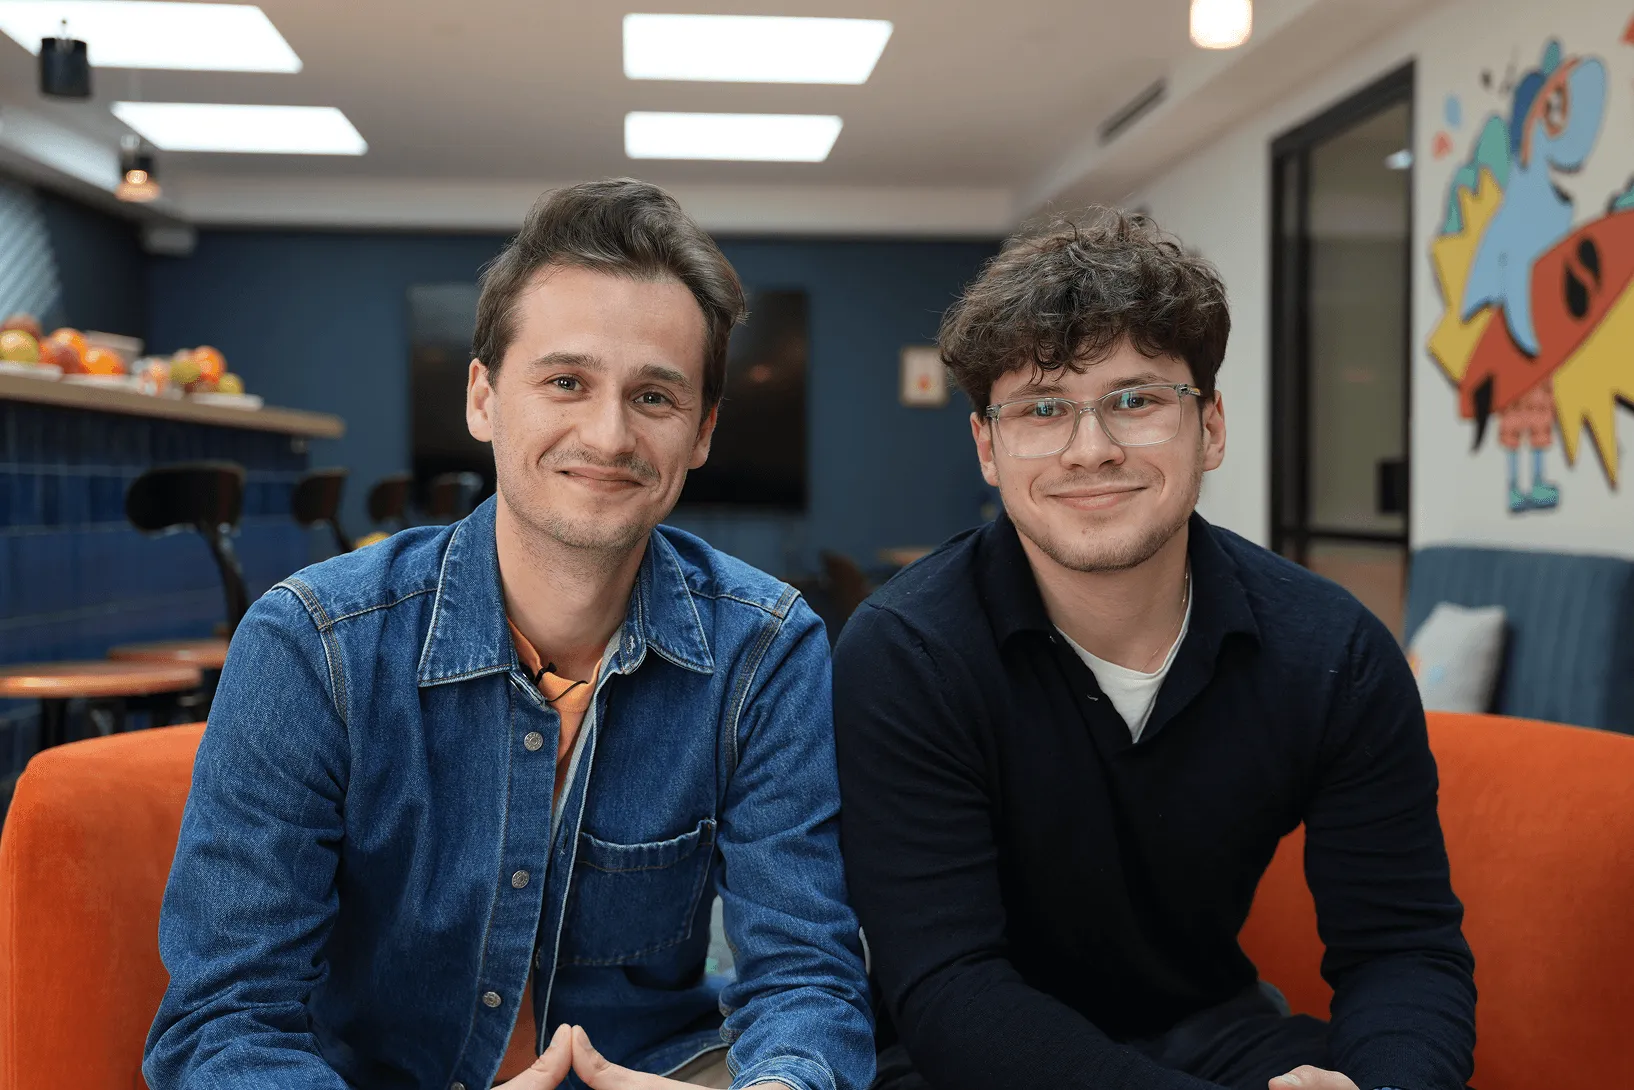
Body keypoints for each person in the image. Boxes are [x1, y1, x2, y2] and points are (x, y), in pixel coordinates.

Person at [145, 179, 873, 1090]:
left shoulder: (766, 652)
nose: (607, 435)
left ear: (701, 433)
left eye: (654, 397)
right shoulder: (311, 644)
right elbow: (225, 1021)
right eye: (566, 382)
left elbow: (806, 976)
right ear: (484, 399)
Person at [832, 209, 1476, 1090]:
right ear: (988, 447)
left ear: (1209, 426)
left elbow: (1403, 946)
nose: (1090, 450)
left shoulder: (1334, 653)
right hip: (965, 1059)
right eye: (1042, 409)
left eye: (1135, 400)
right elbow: (949, 987)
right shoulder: (907, 654)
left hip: (1214, 1032)